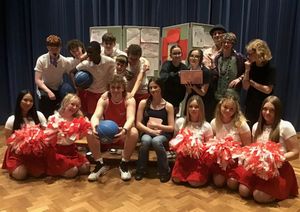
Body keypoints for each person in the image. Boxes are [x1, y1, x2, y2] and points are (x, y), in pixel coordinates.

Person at [238, 96, 299, 203]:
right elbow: (254, 148)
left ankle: (279, 190)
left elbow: (296, 152)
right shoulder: (256, 126)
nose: (267, 112)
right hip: (259, 168)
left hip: (278, 169)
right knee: (243, 191)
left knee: (259, 196)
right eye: (265, 109)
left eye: (272, 110)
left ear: (278, 111)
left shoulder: (285, 126)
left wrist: (275, 158)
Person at [87, 75, 139, 181]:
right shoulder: (104, 98)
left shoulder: (129, 99)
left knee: (133, 132)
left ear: (123, 88)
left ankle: (124, 164)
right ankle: (99, 164)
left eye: (118, 87)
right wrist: (94, 127)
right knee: (89, 132)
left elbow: (131, 118)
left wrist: (124, 131)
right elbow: (95, 116)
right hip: (106, 133)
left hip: (121, 133)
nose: (115, 90)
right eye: (113, 87)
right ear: (109, 88)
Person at [135, 77, 175, 182]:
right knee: (146, 140)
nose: (153, 90)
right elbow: (138, 123)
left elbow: (171, 128)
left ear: (161, 88)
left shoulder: (168, 106)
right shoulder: (143, 103)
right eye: (150, 88)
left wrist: (159, 127)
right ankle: (141, 169)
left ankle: (164, 171)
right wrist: (151, 131)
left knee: (156, 141)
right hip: (148, 132)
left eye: (155, 87)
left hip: (163, 134)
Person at [2, 90, 47, 180]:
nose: (28, 103)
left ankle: (30, 168)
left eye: (31, 101)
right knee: (20, 175)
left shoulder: (39, 115)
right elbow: (9, 143)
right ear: (19, 101)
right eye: (25, 100)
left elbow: (46, 135)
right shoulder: (12, 120)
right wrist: (23, 144)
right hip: (18, 154)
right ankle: (15, 167)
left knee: (39, 173)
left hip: (35, 154)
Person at [210, 90, 251, 189]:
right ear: (220, 106)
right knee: (218, 182)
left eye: (231, 109)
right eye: (225, 107)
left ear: (236, 109)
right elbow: (211, 143)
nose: (228, 111)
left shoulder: (241, 124)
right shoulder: (214, 122)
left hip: (236, 161)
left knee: (232, 184)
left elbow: (247, 147)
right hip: (220, 161)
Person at [171, 95, 213, 187]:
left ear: (201, 109)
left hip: (198, 161)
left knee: (194, 183)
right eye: (191, 106)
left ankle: (205, 175)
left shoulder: (206, 126)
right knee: (176, 180)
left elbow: (209, 147)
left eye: (196, 107)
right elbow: (175, 140)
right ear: (187, 108)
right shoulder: (180, 122)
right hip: (183, 159)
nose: (193, 109)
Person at [46, 94, 90, 178]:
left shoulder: (77, 120)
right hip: (58, 152)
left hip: (71, 150)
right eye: (72, 104)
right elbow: (49, 138)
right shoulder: (53, 118)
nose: (74, 107)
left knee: (86, 168)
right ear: (65, 103)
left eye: (77, 106)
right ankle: (58, 169)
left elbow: (78, 137)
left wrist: (85, 131)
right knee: (72, 172)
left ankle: (68, 168)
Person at [34, 35, 73, 118]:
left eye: (56, 48)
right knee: (45, 98)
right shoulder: (41, 60)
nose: (54, 50)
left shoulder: (65, 61)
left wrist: (77, 89)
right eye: (51, 48)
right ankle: (44, 121)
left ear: (60, 48)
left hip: (58, 87)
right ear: (48, 47)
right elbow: (37, 80)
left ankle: (65, 119)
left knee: (68, 92)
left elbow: (71, 75)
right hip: (45, 87)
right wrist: (48, 91)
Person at [75, 41, 115, 118]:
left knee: (106, 114)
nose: (89, 55)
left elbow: (113, 77)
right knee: (92, 115)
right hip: (91, 93)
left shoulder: (110, 62)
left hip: (105, 93)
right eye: (88, 53)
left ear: (99, 52)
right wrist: (76, 85)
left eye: (91, 52)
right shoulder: (86, 64)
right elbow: (72, 72)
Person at [242, 39, 276, 127]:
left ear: (259, 53)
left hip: (264, 105)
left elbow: (267, 90)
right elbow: (245, 87)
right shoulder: (250, 66)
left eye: (250, 54)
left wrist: (252, 83)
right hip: (251, 103)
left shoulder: (270, 67)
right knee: (250, 128)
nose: (247, 56)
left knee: (263, 129)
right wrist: (247, 70)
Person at [160, 45, 188, 115]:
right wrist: (176, 75)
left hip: (177, 101)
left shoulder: (184, 68)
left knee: (173, 120)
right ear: (171, 55)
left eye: (179, 53)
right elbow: (163, 77)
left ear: (181, 54)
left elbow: (184, 86)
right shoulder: (166, 65)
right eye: (175, 53)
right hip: (164, 99)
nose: (177, 55)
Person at [184, 48, 210, 114]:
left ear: (200, 59)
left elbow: (203, 93)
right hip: (190, 99)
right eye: (192, 56)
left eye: (197, 56)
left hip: (202, 100)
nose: (193, 58)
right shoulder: (187, 70)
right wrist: (188, 87)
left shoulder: (205, 72)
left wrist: (193, 87)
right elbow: (189, 92)